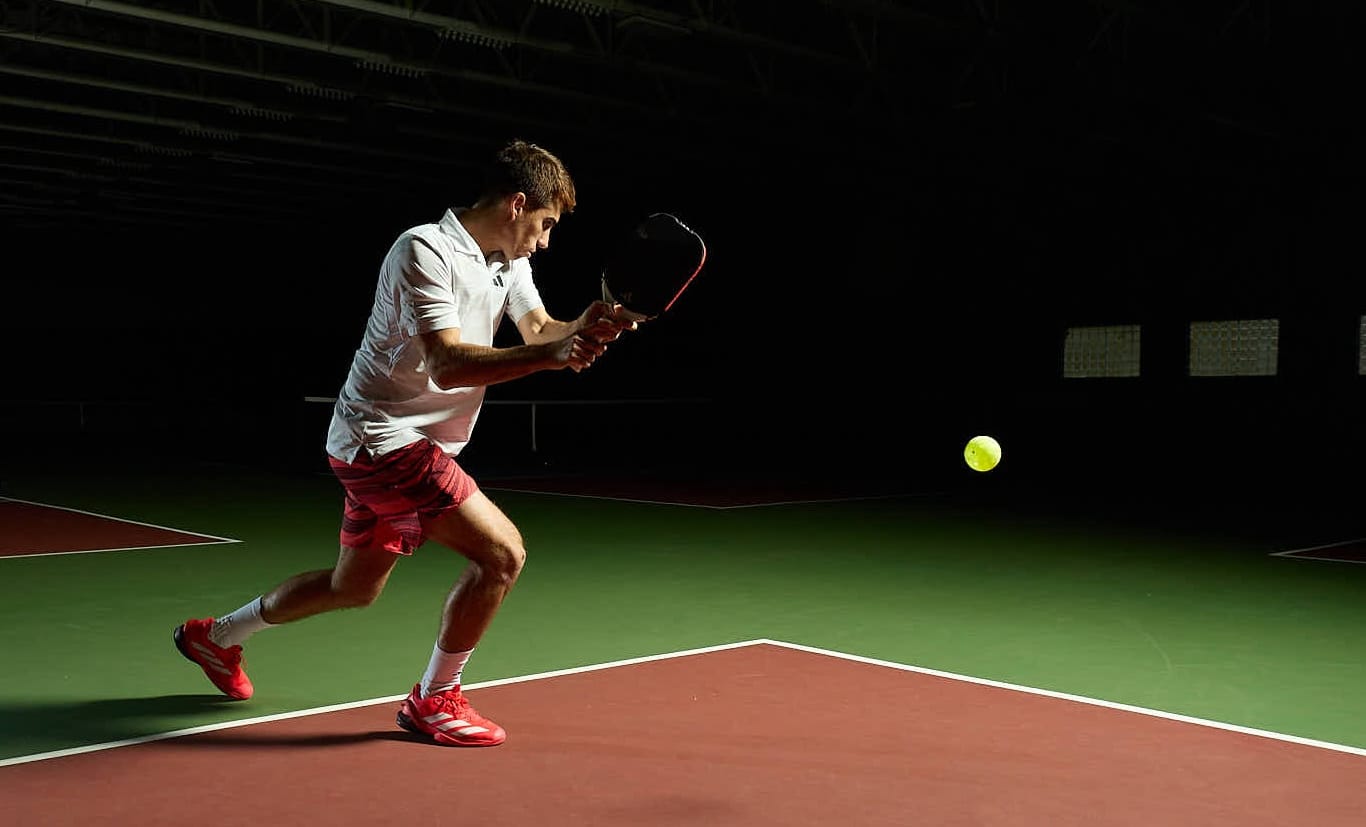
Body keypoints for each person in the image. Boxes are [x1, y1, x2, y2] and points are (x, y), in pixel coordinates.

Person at [174, 139, 634, 747]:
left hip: (394, 444)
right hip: (381, 437)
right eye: (545, 225)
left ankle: (218, 636)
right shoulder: (423, 250)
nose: (545, 242)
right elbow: (448, 363)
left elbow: (542, 329)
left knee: (352, 588)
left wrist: (592, 323)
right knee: (501, 555)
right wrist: (552, 355)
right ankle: (434, 698)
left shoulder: (508, 261)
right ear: (518, 204)